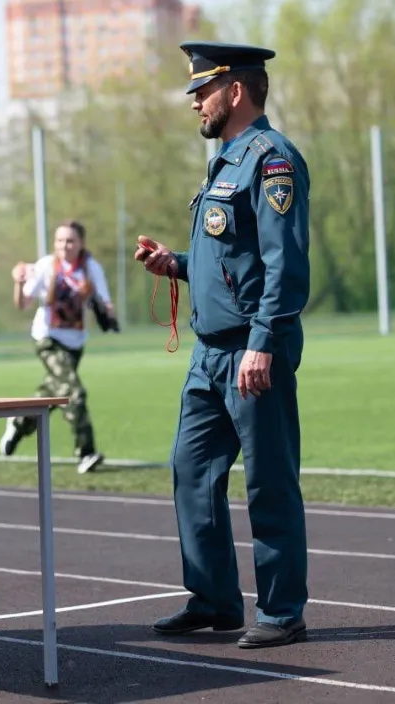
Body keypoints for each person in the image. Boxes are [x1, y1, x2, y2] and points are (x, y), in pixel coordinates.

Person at [134, 41, 311, 649]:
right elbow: (229, 259)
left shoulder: (271, 159)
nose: (195, 104)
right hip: (209, 354)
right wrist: (175, 264)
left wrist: (263, 342)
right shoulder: (225, 160)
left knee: (268, 480)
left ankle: (283, 611)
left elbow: (282, 266)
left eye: (202, 91)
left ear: (235, 90)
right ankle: (213, 600)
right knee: (191, 470)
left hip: (251, 350)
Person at [0, 221, 113, 474]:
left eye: (70, 241)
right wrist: (18, 282)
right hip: (47, 339)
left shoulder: (91, 268)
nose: (64, 245)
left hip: (74, 344)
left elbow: (106, 302)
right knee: (75, 393)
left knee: (53, 394)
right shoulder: (46, 266)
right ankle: (86, 452)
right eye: (60, 240)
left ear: (81, 243)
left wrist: (107, 312)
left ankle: (19, 422)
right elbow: (23, 303)